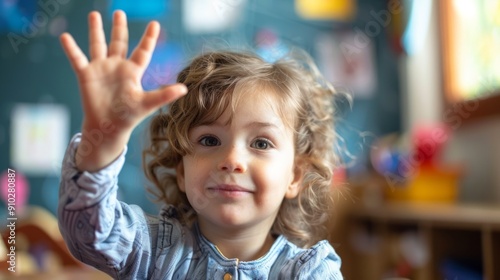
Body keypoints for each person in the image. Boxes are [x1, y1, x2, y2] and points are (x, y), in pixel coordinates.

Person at [58, 10, 343, 279]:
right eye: (209, 140)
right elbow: (89, 233)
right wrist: (102, 142)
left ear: (294, 175)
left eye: (261, 143)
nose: (232, 159)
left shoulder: (310, 272)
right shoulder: (149, 248)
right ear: (181, 170)